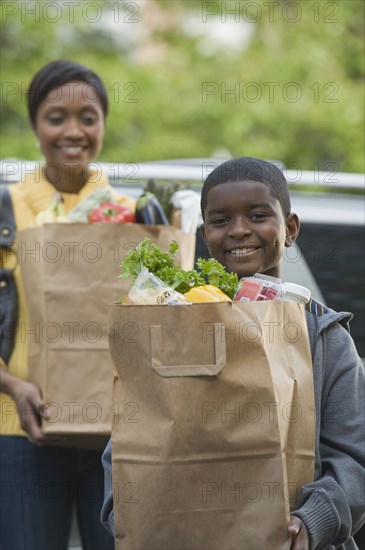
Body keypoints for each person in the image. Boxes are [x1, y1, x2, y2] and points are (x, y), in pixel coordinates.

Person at [100, 157, 365, 549]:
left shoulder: (325, 337)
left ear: (290, 228)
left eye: (258, 216)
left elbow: (354, 458)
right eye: (222, 221)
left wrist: (311, 523)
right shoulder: (174, 328)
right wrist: (129, 511)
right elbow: (127, 445)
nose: (240, 230)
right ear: (206, 234)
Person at [0, 60, 134, 550]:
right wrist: (13, 386)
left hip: (115, 436)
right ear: (35, 124)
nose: (73, 131)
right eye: (56, 117)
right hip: (19, 432)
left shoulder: (132, 216)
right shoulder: (6, 214)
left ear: (103, 123)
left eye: (89, 116)